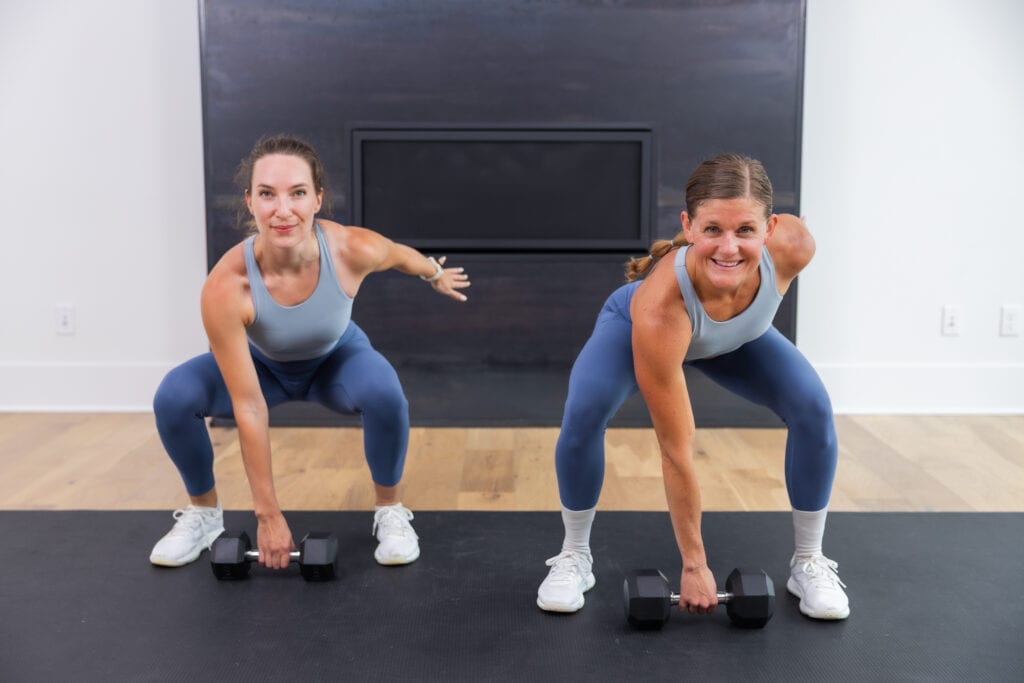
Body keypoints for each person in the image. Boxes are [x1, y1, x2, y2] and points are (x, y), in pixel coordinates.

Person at [535, 153, 849, 620]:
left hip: (735, 340)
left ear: (771, 227)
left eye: (745, 229)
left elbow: (761, 248)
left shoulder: (795, 247)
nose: (728, 248)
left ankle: (808, 561)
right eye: (712, 230)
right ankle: (575, 555)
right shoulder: (659, 307)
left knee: (814, 409)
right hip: (637, 329)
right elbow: (676, 450)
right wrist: (694, 565)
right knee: (584, 413)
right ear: (688, 224)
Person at [149, 134, 469, 571]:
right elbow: (249, 406)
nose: (283, 210)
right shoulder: (227, 286)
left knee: (385, 392)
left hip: (335, 362)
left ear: (318, 199)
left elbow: (399, 256)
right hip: (262, 369)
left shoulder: (352, 249)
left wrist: (435, 273)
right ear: (249, 201)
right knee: (174, 395)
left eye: (297, 193)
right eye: (267, 194)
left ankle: (389, 510)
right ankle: (204, 515)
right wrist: (268, 515)